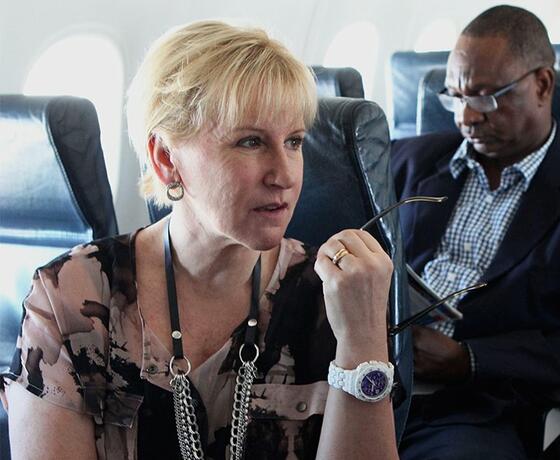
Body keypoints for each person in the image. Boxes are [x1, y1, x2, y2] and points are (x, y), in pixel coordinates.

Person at [0, 20, 398, 459]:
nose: (285, 175)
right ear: (166, 158)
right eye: (250, 141)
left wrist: (362, 342)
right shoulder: (71, 295)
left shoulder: (333, 292)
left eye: (294, 141)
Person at [391, 5, 560, 459]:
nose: (466, 118)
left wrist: (466, 359)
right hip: (366, 377)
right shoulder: (404, 162)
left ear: (543, 85)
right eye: (455, 97)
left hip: (478, 405)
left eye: (486, 97)